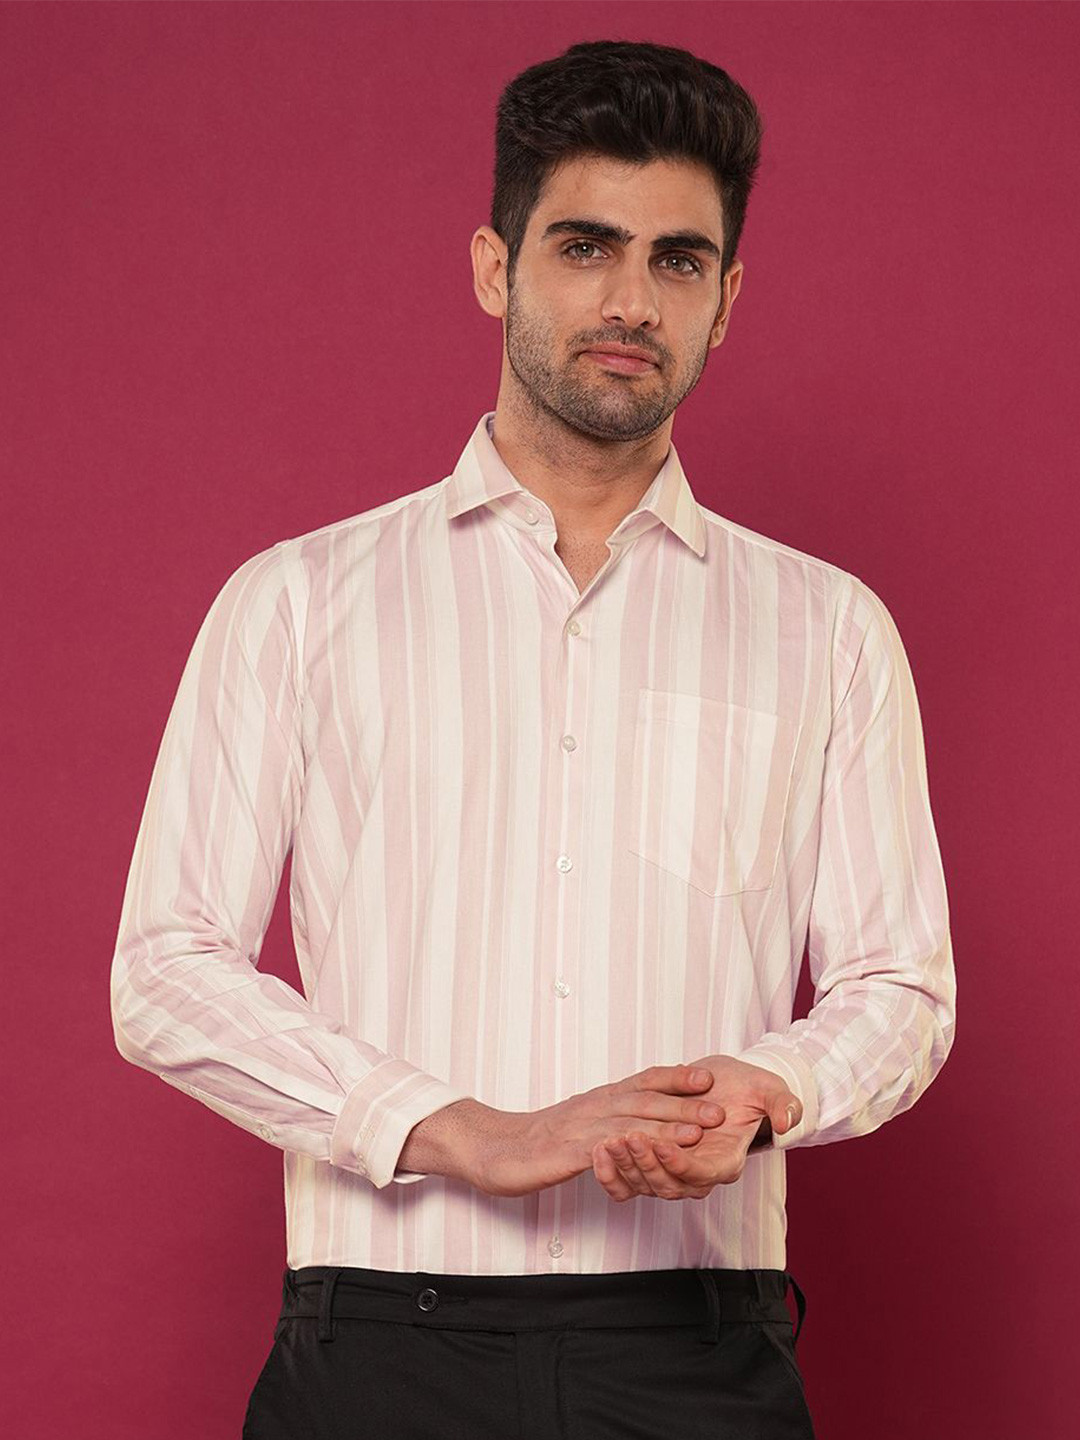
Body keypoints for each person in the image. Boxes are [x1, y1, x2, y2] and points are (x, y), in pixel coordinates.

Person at [110, 37, 955, 1440]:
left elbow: (901, 988)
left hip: (695, 1351)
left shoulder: (828, 629)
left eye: (678, 260)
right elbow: (164, 971)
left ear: (728, 300)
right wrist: (461, 1131)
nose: (630, 299)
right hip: (380, 1344)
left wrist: (770, 1091)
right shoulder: (298, 604)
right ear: (496, 268)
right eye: (585, 246)